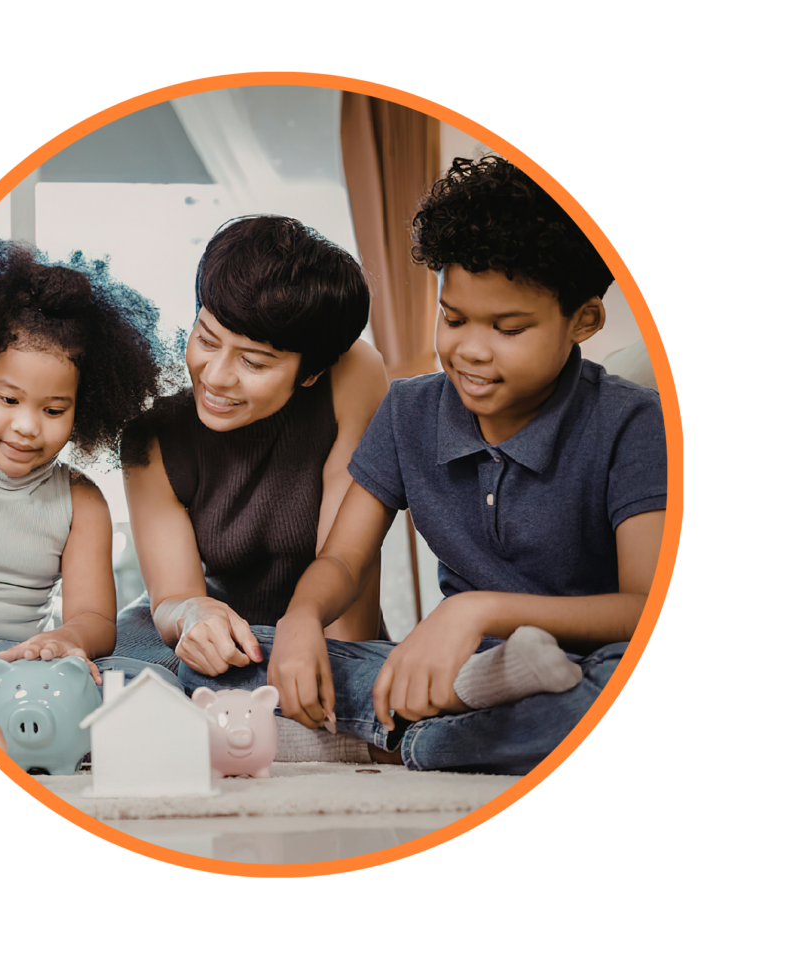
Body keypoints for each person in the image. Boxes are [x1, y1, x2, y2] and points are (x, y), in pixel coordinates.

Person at [193, 156, 667, 775]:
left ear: (583, 320)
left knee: (628, 687)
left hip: (587, 661)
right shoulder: (409, 410)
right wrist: (302, 617)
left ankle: (408, 741)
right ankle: (472, 708)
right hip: (454, 672)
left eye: (508, 328)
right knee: (226, 650)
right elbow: (341, 558)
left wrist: (474, 610)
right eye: (454, 317)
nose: (470, 348)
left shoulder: (632, 420)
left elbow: (645, 607)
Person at [0, 241, 184, 728]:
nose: (27, 426)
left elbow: (94, 620)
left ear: (82, 409)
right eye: (8, 399)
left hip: (23, 671)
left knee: (153, 683)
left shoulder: (82, 501)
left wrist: (66, 641)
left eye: (53, 410)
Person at [115, 216, 389, 701]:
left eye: (254, 362)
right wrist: (193, 615)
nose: (216, 377)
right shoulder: (153, 434)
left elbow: (349, 563)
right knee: (128, 679)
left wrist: (347, 681)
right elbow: (173, 597)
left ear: (311, 372)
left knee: (361, 683)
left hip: (317, 625)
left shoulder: (352, 373)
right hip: (209, 635)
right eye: (206, 339)